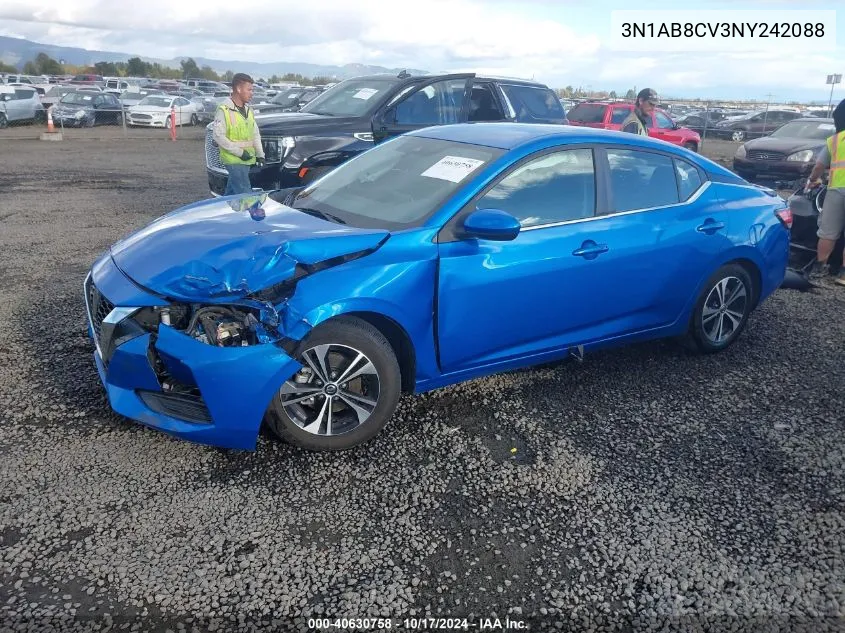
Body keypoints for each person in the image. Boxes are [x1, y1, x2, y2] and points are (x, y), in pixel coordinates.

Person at [806, 98, 845, 286]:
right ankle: (843, 275)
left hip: (836, 189)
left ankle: (820, 267)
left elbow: (819, 167)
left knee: (828, 232)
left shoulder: (835, 140)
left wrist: (813, 180)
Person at [212, 73, 265, 196]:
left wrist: (260, 154)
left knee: (230, 196)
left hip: (247, 159)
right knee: (245, 195)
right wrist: (240, 152)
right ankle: (250, 214)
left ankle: (223, 211)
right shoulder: (224, 110)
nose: (252, 93)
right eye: (249, 89)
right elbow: (218, 136)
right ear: (238, 89)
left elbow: (255, 134)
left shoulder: (248, 111)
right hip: (234, 160)